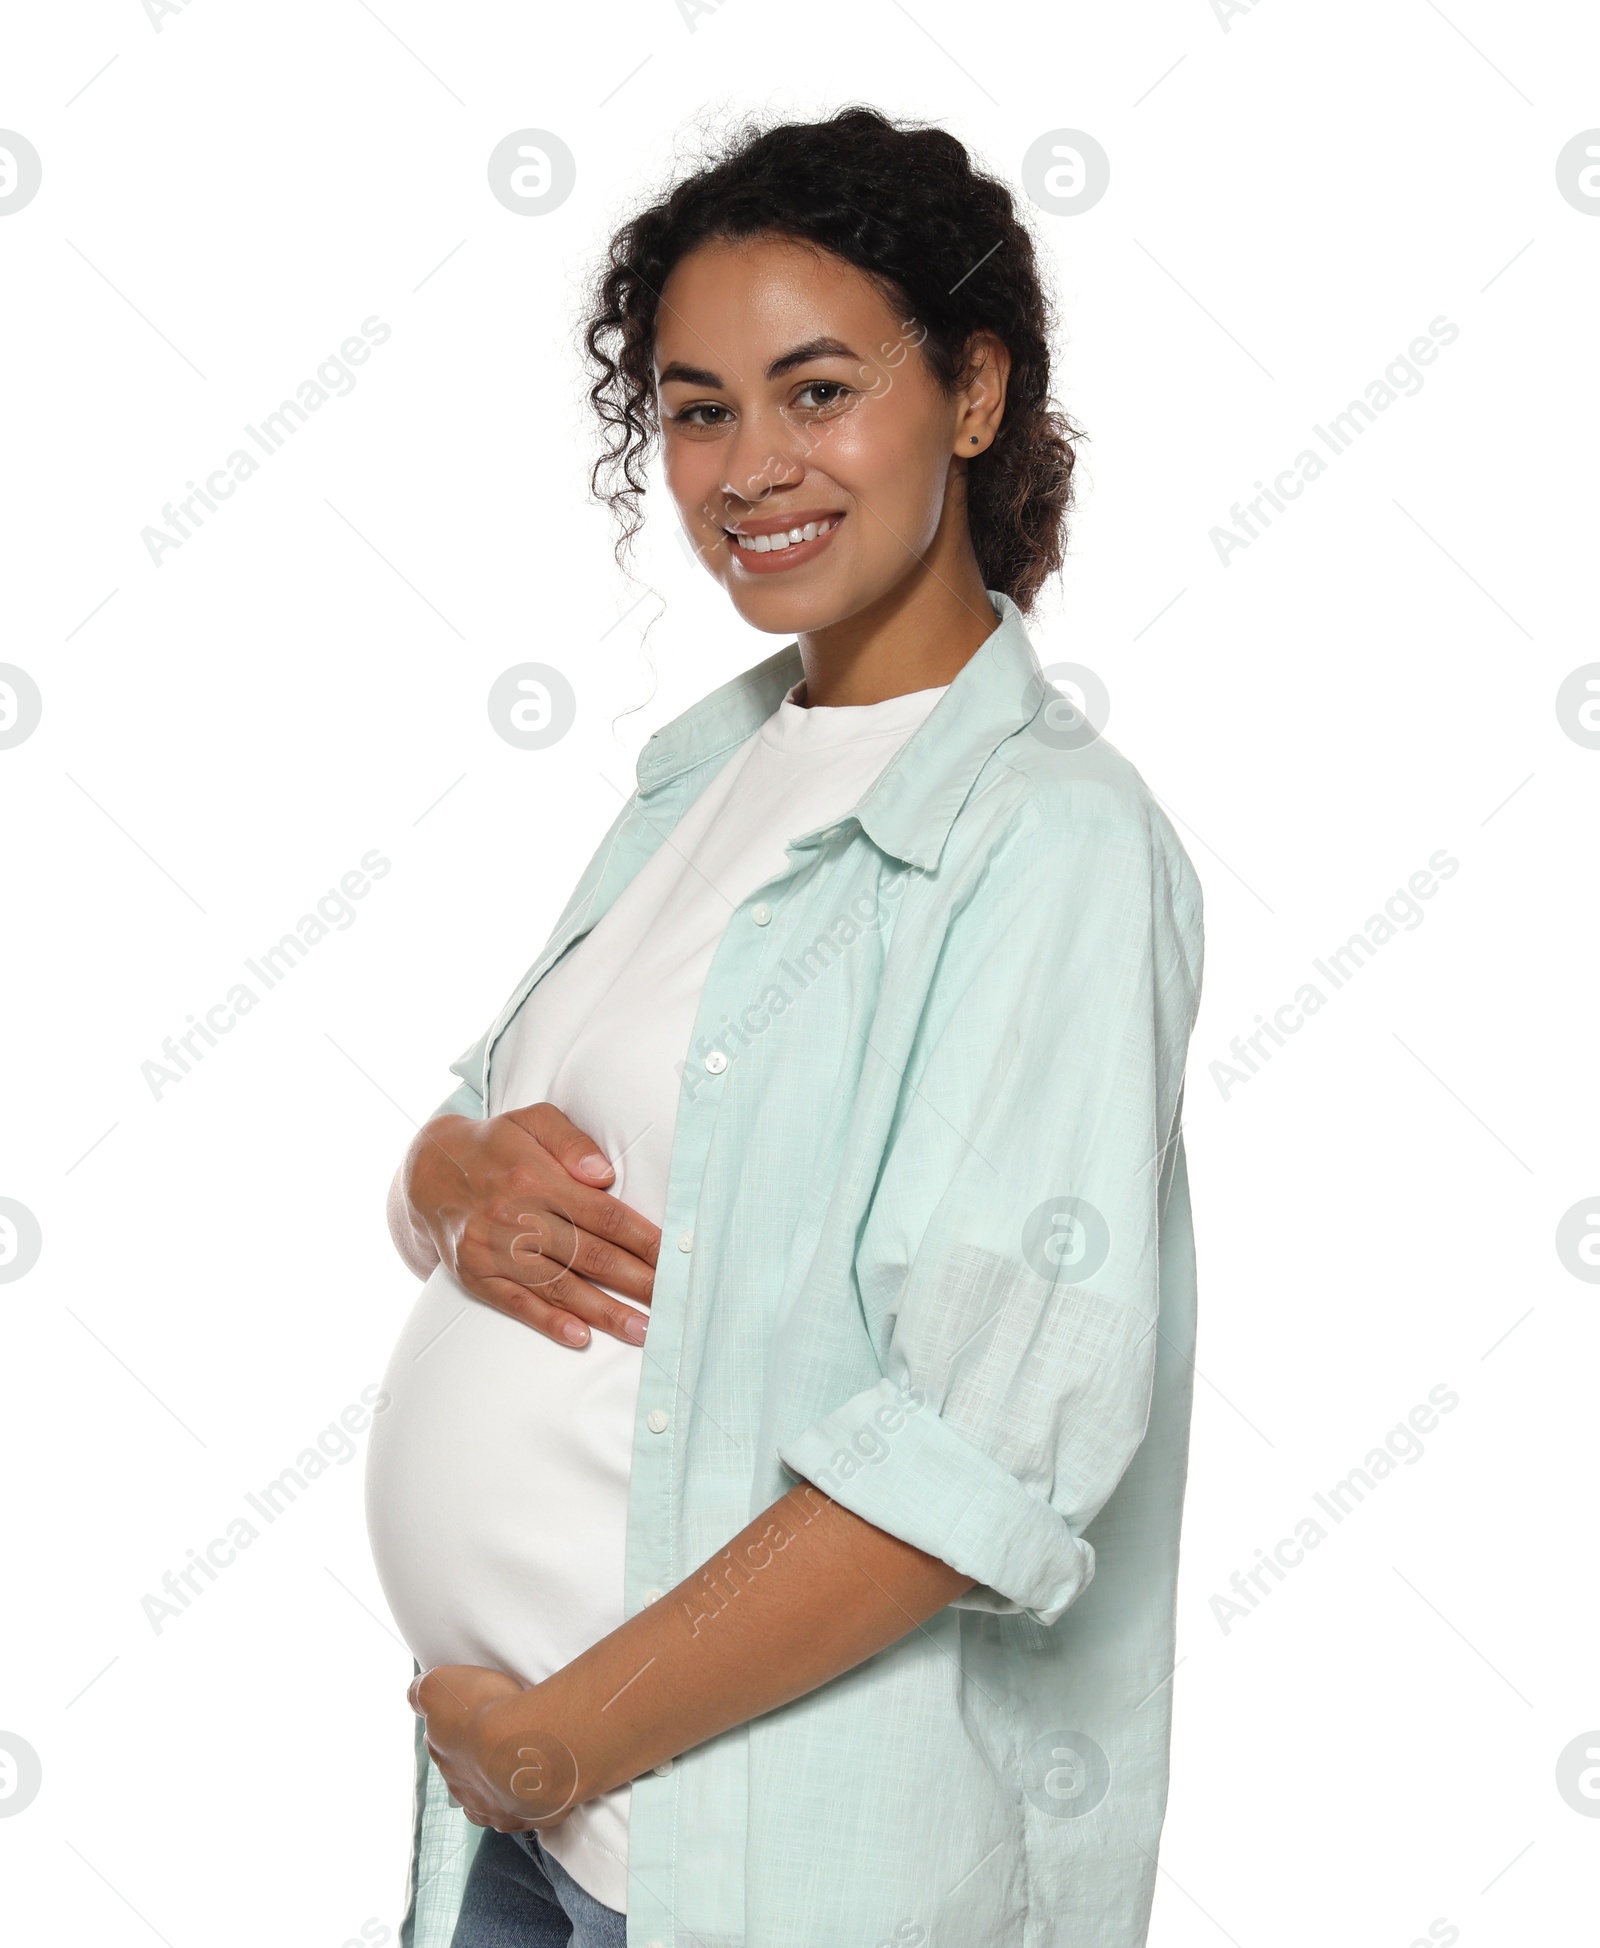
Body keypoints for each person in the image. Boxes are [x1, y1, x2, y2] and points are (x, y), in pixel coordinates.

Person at [365, 104, 1205, 1948]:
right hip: (537, 1833)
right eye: (696, 408)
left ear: (973, 395)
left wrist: (559, 1741)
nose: (750, 467)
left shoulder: (1047, 845)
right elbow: (485, 1132)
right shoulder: (713, 773)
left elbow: (971, 1459)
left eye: (817, 390)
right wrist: (452, 1177)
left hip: (752, 1864)